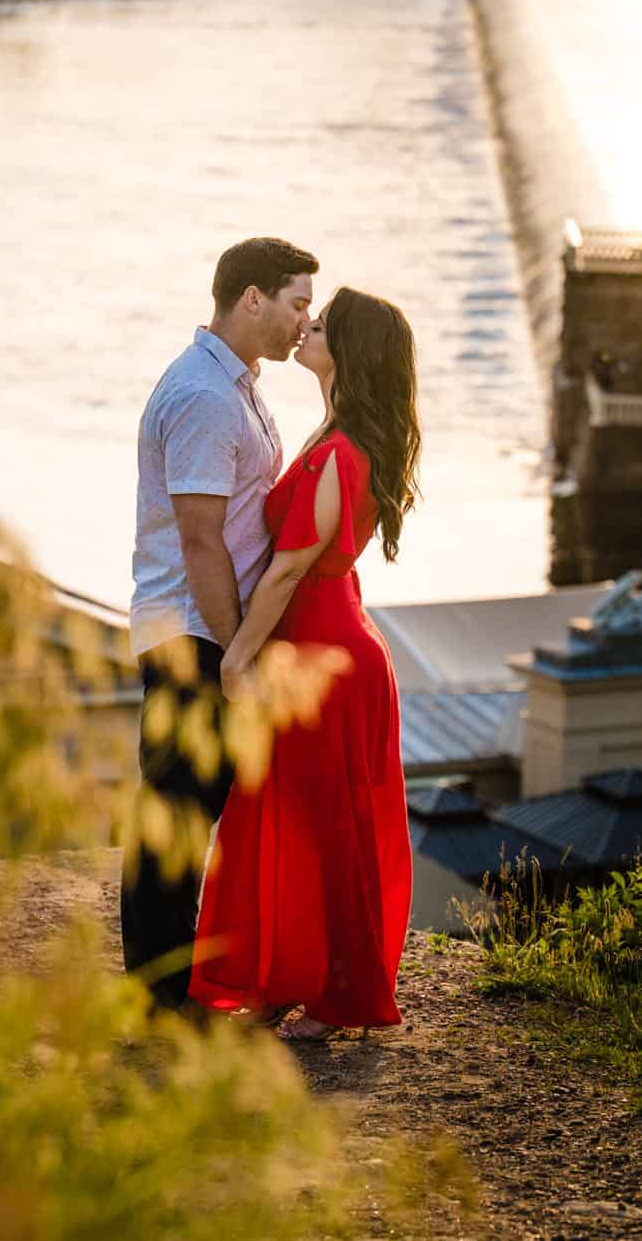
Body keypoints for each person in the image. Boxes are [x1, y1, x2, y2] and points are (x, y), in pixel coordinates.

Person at [187, 287, 421, 1040]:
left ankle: (337, 996)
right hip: (325, 648)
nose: (305, 329)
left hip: (323, 660)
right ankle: (293, 978)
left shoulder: (341, 450)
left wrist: (237, 655)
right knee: (285, 820)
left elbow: (290, 569)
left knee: (321, 827)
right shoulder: (335, 433)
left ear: (347, 352)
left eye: (320, 325)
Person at [124, 237, 317, 1011]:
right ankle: (158, 998)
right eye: (298, 302)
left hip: (210, 629)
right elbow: (201, 540)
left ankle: (173, 984)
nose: (304, 319)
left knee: (194, 811)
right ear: (252, 299)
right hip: (192, 634)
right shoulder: (205, 396)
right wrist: (238, 649)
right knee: (175, 813)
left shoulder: (238, 383)